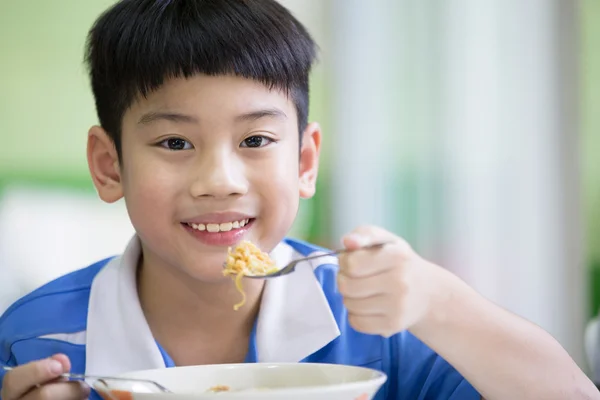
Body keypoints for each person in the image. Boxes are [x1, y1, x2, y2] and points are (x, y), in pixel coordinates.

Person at [0, 1, 597, 399]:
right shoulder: (33, 341)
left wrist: (440, 302)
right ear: (110, 166)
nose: (220, 179)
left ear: (305, 161)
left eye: (256, 139)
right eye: (175, 141)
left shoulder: (380, 328)